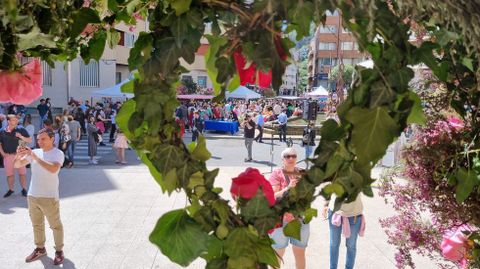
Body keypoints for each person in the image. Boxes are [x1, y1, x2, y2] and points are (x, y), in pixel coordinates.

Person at [14, 128, 65, 265]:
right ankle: (40, 248)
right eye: (38, 139)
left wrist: (35, 157)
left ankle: (59, 251)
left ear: (52, 139)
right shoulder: (35, 152)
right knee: (37, 224)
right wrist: (18, 156)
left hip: (49, 196)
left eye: (43, 139)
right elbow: (17, 165)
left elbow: (53, 169)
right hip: (32, 195)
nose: (40, 142)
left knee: (55, 226)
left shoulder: (58, 153)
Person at [268, 148, 309, 269]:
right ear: (282, 159)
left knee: (300, 253)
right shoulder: (277, 173)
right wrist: (288, 188)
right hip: (281, 221)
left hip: (300, 220)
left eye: (293, 156)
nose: (291, 158)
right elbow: (272, 196)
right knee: (278, 254)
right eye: (287, 156)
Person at [323, 193, 365, 269]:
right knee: (334, 244)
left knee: (351, 246)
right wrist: (326, 204)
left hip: (354, 214)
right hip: (335, 212)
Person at [0, 115, 32, 197]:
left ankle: (24, 189)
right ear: (8, 121)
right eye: (14, 120)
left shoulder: (21, 129)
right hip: (8, 156)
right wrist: (3, 154)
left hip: (20, 155)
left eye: (16, 120)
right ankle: (11, 190)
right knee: (9, 175)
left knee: (22, 174)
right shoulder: (2, 131)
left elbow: (29, 140)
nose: (16, 121)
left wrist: (21, 136)